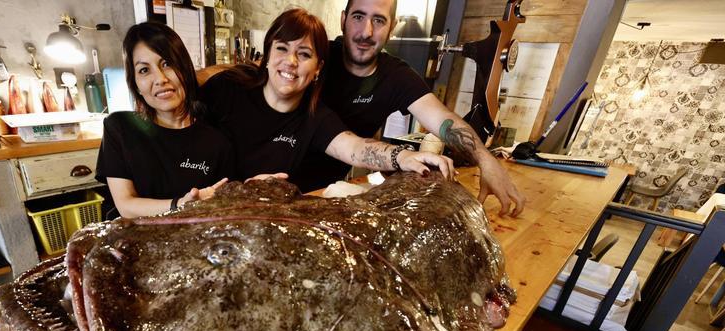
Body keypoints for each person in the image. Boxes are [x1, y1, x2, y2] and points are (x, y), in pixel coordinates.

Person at [307, 0, 526, 216]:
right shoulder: (313, 58)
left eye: (379, 20)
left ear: (392, 28)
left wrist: (486, 161)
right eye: (358, 17)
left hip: (323, 195)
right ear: (343, 19)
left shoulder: (396, 75)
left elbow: (442, 119)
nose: (366, 31)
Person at [198, 8, 456, 189]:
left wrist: (402, 156)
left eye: (304, 54)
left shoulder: (315, 118)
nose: (290, 62)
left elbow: (356, 148)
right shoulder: (228, 88)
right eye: (282, 48)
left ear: (318, 68)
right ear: (267, 54)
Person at [95, 22, 233, 218]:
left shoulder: (217, 143)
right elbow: (126, 205)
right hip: (129, 241)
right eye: (144, 70)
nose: (160, 79)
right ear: (136, 84)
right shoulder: (119, 127)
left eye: (167, 64)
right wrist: (181, 204)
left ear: (184, 69)